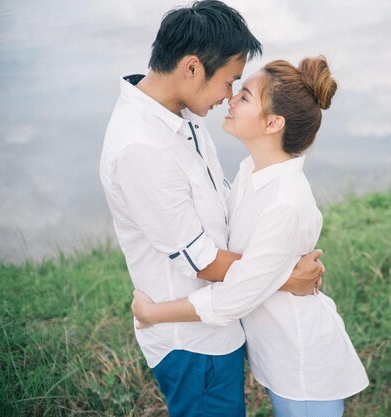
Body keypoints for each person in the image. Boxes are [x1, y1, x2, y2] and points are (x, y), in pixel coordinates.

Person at [99, 2, 324, 416]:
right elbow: (200, 260)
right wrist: (283, 276)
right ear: (191, 68)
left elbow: (218, 203)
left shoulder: (183, 113)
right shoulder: (140, 148)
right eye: (228, 82)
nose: (228, 97)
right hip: (192, 340)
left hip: (220, 321)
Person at [131, 56, 369, 417]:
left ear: (273, 122)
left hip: (301, 362)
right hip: (279, 355)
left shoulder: (285, 201)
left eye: (243, 97)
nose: (229, 99)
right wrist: (283, 277)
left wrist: (154, 313)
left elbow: (235, 297)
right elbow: (247, 261)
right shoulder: (250, 173)